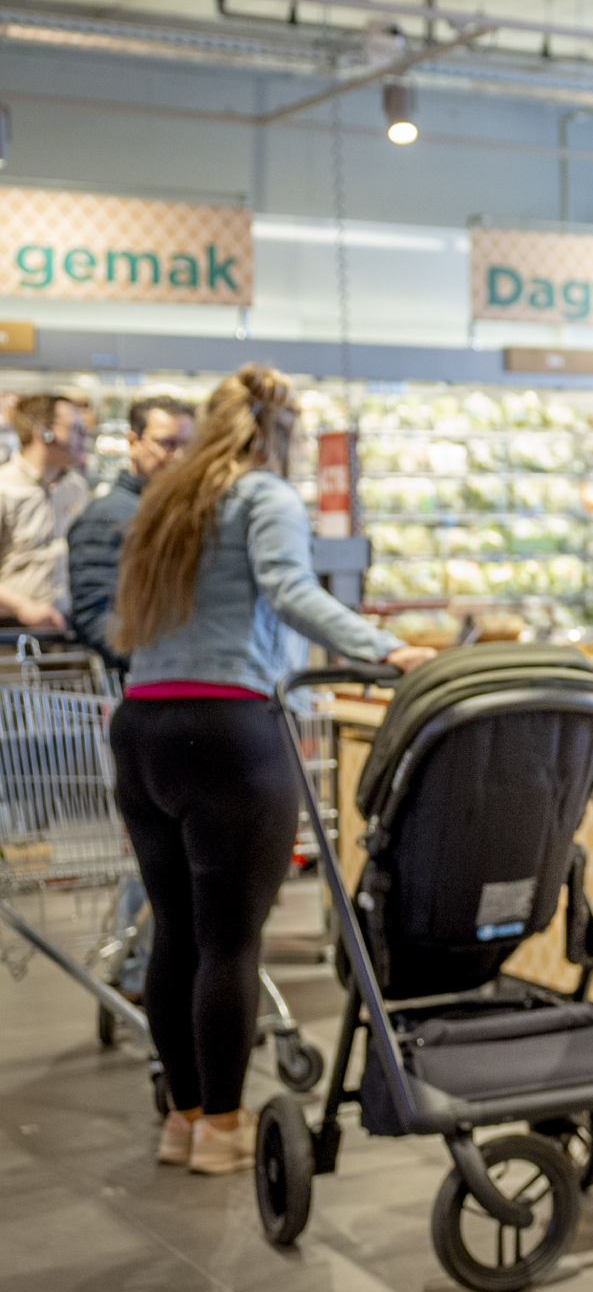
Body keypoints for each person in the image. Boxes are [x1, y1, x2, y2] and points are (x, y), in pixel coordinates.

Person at [110, 366, 432, 1175]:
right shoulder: (264, 496)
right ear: (277, 435)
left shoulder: (165, 503)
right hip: (228, 731)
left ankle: (182, 1120)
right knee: (230, 943)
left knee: (174, 931)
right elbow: (289, 590)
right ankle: (223, 1129)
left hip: (143, 725)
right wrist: (383, 647)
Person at [66, 394, 197, 668]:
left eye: (188, 445)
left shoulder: (179, 513)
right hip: (143, 679)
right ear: (132, 442)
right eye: (167, 443)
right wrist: (156, 663)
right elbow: (97, 616)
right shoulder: (107, 516)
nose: (179, 457)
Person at [0, 392, 91, 631]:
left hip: (68, 626)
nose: (83, 437)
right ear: (44, 432)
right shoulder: (4, 488)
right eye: (75, 428)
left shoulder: (76, 486)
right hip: (11, 631)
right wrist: (22, 606)